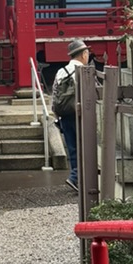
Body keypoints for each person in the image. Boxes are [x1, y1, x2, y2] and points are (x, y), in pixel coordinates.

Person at [51, 37, 91, 193]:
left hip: (64, 114)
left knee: (73, 147)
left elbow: (55, 95)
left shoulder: (62, 71)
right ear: (83, 55)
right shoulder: (82, 71)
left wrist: (56, 116)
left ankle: (76, 177)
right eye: (87, 53)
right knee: (85, 145)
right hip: (79, 114)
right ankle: (76, 177)